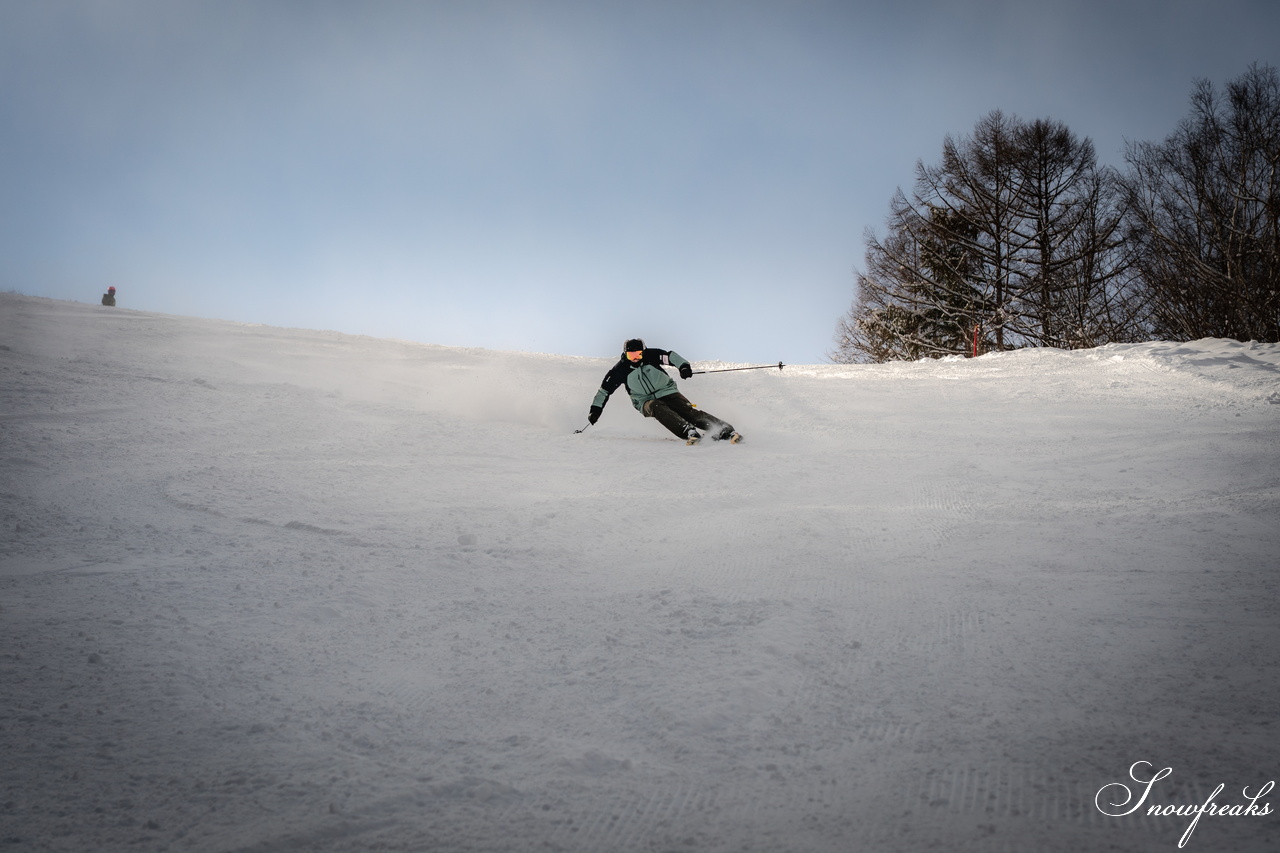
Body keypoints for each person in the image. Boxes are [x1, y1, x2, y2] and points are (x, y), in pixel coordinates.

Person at [588, 338, 742, 444]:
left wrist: (683, 367)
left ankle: (723, 429)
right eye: (631, 355)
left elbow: (670, 356)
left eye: (639, 354)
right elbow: (604, 391)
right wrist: (595, 410)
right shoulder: (619, 370)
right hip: (644, 401)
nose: (636, 358)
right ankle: (687, 431)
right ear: (625, 354)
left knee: (687, 411)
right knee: (656, 406)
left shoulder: (651, 356)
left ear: (644, 351)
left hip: (667, 391)